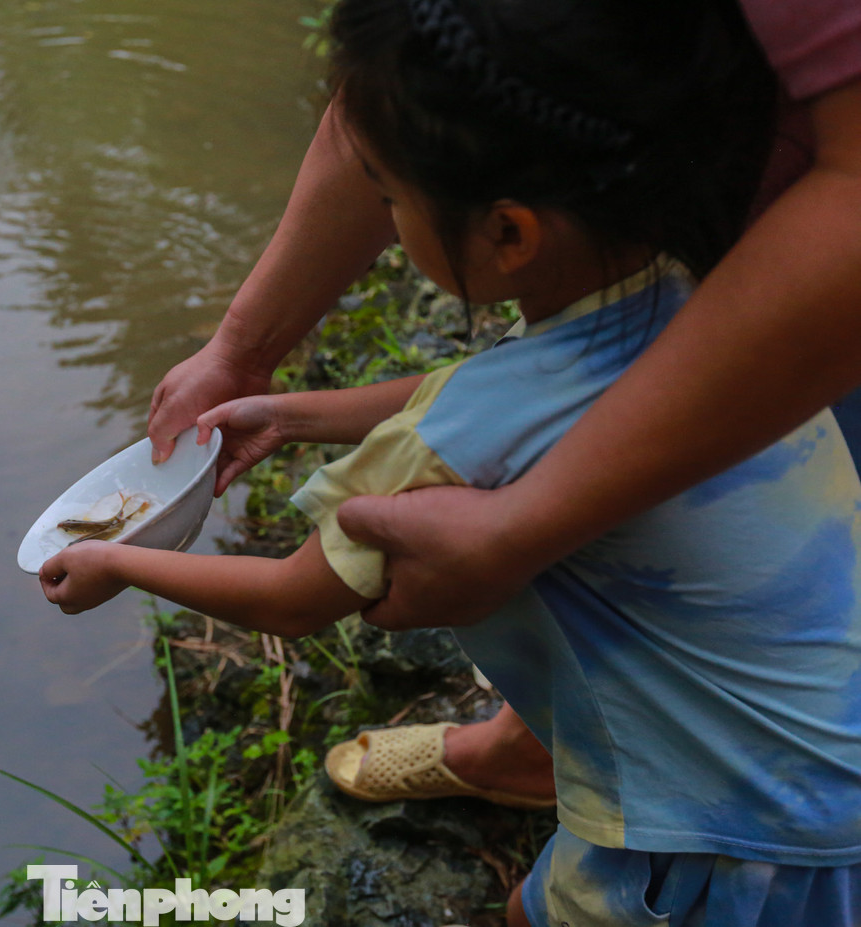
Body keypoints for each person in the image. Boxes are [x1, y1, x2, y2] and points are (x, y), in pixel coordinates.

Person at [45, 1, 861, 922]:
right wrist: (284, 410)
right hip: (828, 739)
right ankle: (533, 759)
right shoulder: (710, 316)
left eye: (391, 197)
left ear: (509, 235)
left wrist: (115, 561)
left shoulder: (454, 442)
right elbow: (488, 391)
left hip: (733, 838)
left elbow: (292, 601)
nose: (385, 212)